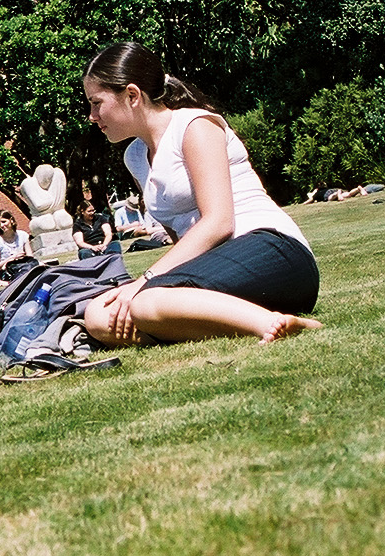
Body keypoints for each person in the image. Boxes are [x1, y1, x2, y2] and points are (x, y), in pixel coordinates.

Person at [80, 42, 321, 346]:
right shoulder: (135, 156)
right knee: (99, 315)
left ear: (132, 95)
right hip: (222, 267)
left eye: (96, 103)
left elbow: (220, 222)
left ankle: (270, 323)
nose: (91, 115)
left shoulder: (194, 126)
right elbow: (182, 239)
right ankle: (228, 317)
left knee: (144, 302)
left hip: (275, 252)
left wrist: (145, 281)